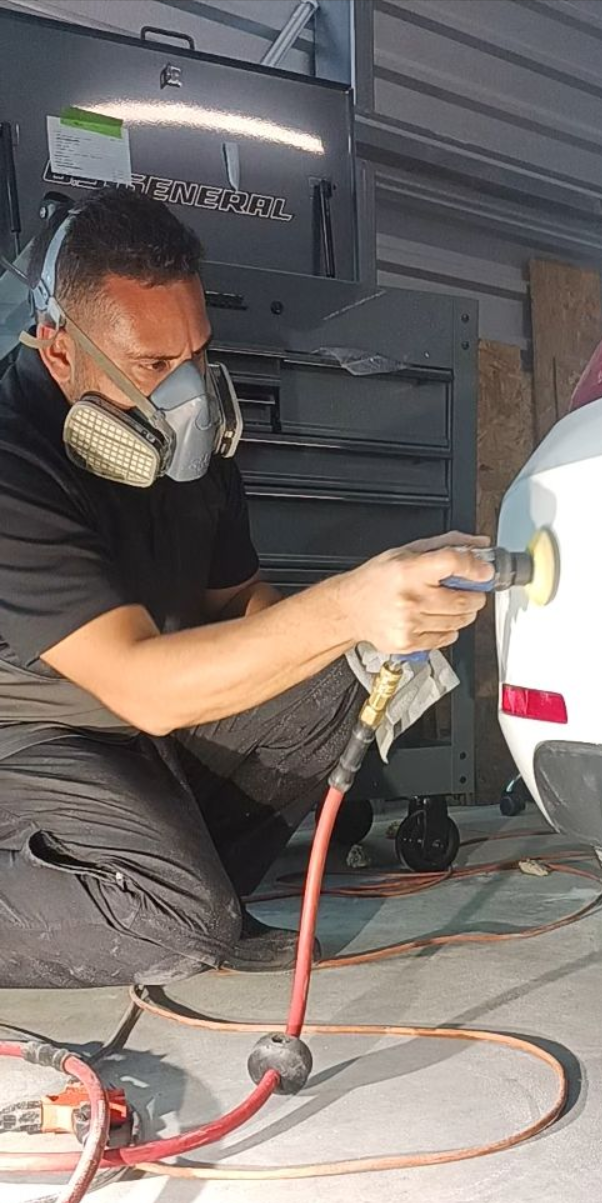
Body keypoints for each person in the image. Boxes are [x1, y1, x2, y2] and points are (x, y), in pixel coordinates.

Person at [0, 188, 489, 988]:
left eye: (196, 353)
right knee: (179, 920)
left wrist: (368, 628)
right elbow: (142, 688)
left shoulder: (194, 450)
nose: (187, 388)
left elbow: (244, 607)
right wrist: (349, 601)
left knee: (345, 668)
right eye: (154, 366)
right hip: (27, 743)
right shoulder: (14, 464)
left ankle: (187, 885)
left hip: (127, 737)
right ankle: (170, 901)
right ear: (60, 351)